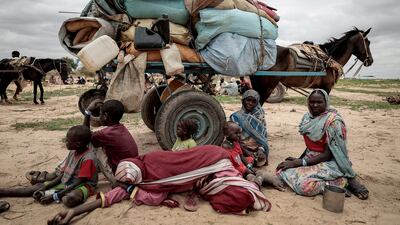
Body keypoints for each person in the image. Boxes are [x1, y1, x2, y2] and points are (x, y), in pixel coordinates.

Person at [48, 145, 272, 225]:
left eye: (128, 181)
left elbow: (180, 162)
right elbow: (108, 198)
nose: (126, 185)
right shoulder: (139, 184)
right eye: (127, 183)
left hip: (212, 158)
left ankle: (256, 177)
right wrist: (73, 213)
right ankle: (254, 179)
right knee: (237, 195)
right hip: (208, 171)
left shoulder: (152, 163)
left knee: (236, 188)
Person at [276, 89, 369, 199]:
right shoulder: (307, 118)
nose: (315, 105)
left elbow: (327, 155)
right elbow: (311, 145)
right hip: (311, 159)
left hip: (330, 162)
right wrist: (298, 160)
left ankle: (340, 183)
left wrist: (300, 162)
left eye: (319, 102)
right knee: (281, 170)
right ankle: (332, 181)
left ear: (326, 102)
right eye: (312, 102)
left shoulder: (333, 122)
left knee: (304, 186)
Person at [0, 125, 98, 207]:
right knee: (36, 189)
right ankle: (4, 192)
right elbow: (62, 175)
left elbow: (79, 182)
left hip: (83, 185)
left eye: (68, 140)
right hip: (67, 182)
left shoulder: (88, 158)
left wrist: (56, 196)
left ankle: (52, 194)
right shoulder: (73, 152)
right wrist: (45, 187)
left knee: (69, 199)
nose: (65, 142)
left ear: (77, 144)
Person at [83, 99, 139, 184]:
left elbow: (84, 135)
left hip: (121, 177)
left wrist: (88, 112)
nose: (99, 116)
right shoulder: (120, 128)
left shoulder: (106, 133)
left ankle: (70, 171)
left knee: (88, 142)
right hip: (132, 171)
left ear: (105, 116)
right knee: (95, 143)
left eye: (100, 114)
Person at [230, 90, 269, 165]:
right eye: (248, 100)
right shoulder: (236, 117)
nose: (250, 103)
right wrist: (246, 151)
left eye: (254, 101)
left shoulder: (259, 117)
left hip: (256, 148)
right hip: (241, 147)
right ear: (243, 100)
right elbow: (233, 138)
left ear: (257, 103)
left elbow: (263, 138)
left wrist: (260, 150)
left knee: (259, 159)